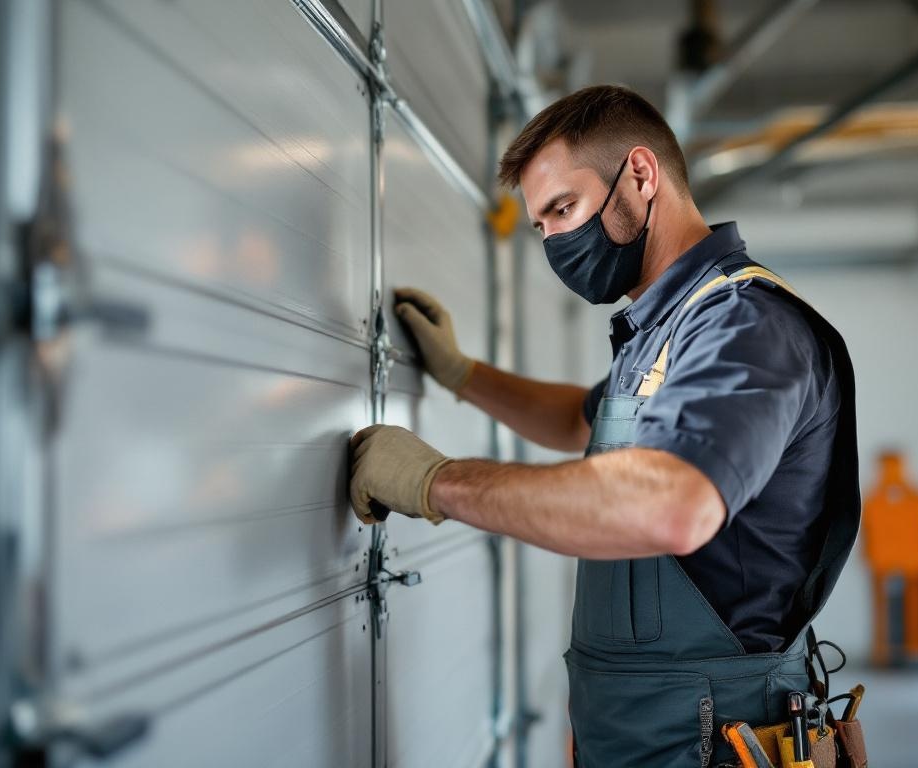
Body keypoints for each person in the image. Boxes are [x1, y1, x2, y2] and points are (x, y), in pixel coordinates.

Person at [348, 85, 860, 767]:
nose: (555, 240)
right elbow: (581, 418)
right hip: (642, 733)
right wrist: (461, 373)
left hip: (712, 738)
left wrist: (436, 483)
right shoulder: (662, 328)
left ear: (641, 176)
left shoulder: (742, 327)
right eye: (540, 226)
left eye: (564, 208)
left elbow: (671, 505)